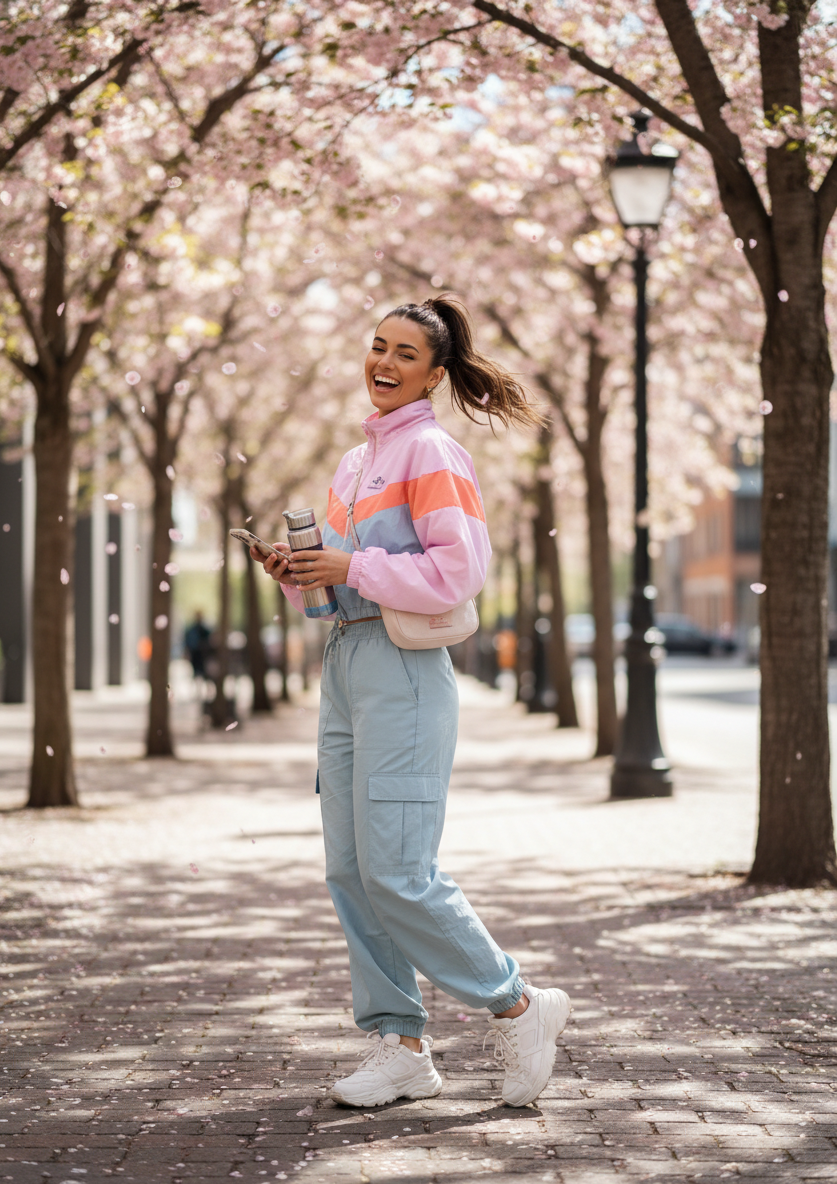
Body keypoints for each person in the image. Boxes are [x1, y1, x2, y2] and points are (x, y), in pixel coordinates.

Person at [252, 295, 571, 1108]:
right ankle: (400, 1043)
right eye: (377, 346)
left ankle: (518, 1004)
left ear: (434, 373)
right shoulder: (354, 466)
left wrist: (350, 565)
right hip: (346, 661)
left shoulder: (432, 452)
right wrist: (301, 576)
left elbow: (455, 574)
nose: (384, 363)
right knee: (352, 870)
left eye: (404, 354)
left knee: (398, 869)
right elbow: (339, 590)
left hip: (405, 669)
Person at [184, 611, 212, 682]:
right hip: (195, 653)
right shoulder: (192, 630)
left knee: (202, 671)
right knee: (196, 671)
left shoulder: (204, 630)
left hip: (202, 654)